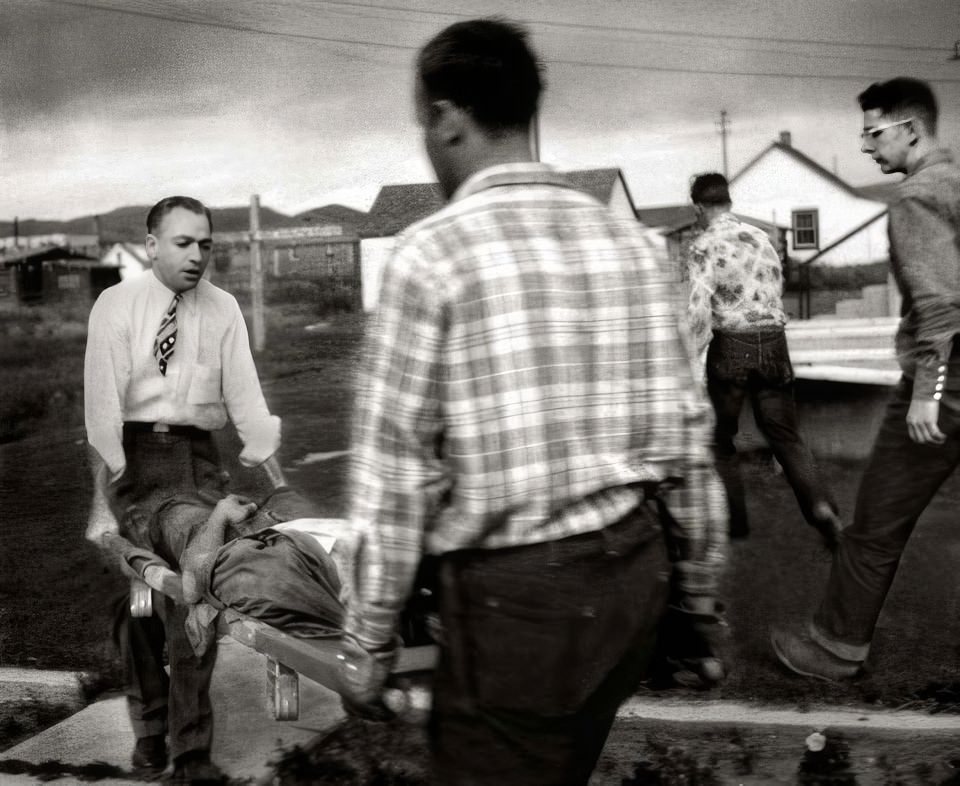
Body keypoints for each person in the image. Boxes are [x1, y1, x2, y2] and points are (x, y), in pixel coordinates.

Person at [334, 18, 726, 786]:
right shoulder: (631, 245)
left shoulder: (431, 254)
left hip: (518, 613)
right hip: (630, 584)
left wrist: (369, 640)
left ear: (447, 117)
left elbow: (396, 478)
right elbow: (687, 445)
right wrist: (697, 609)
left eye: (425, 123)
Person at [83, 196, 283, 782]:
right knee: (140, 607)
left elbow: (248, 402)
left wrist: (281, 483)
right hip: (134, 466)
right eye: (182, 243)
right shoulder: (116, 307)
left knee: (196, 593)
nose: (197, 255)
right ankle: (150, 730)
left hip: (199, 464)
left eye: (206, 244)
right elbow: (101, 410)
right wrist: (102, 503)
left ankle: (191, 752)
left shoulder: (222, 309)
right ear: (151, 246)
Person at [772, 77, 960, 680]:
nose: (864, 145)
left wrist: (928, 393)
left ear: (911, 129)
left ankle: (835, 649)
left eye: (874, 132)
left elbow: (939, 303)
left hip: (946, 386)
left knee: (875, 527)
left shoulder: (916, 196)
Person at [684, 172, 843, 547]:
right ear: (728, 202)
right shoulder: (763, 239)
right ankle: (822, 508)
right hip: (774, 343)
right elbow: (776, 290)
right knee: (785, 435)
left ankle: (733, 522)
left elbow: (698, 310)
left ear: (698, 207)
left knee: (720, 440)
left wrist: (691, 362)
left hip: (731, 346)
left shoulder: (703, 244)